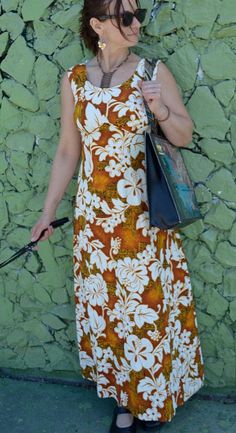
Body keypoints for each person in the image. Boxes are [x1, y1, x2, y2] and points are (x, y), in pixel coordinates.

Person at [31, 1, 205, 432]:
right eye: (124, 16)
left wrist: (160, 110)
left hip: (143, 218)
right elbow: (69, 150)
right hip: (94, 222)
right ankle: (124, 399)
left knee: (145, 311)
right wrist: (47, 213)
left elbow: (183, 133)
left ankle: (151, 402)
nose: (135, 24)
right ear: (97, 25)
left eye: (138, 13)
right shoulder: (73, 79)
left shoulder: (152, 71)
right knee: (108, 313)